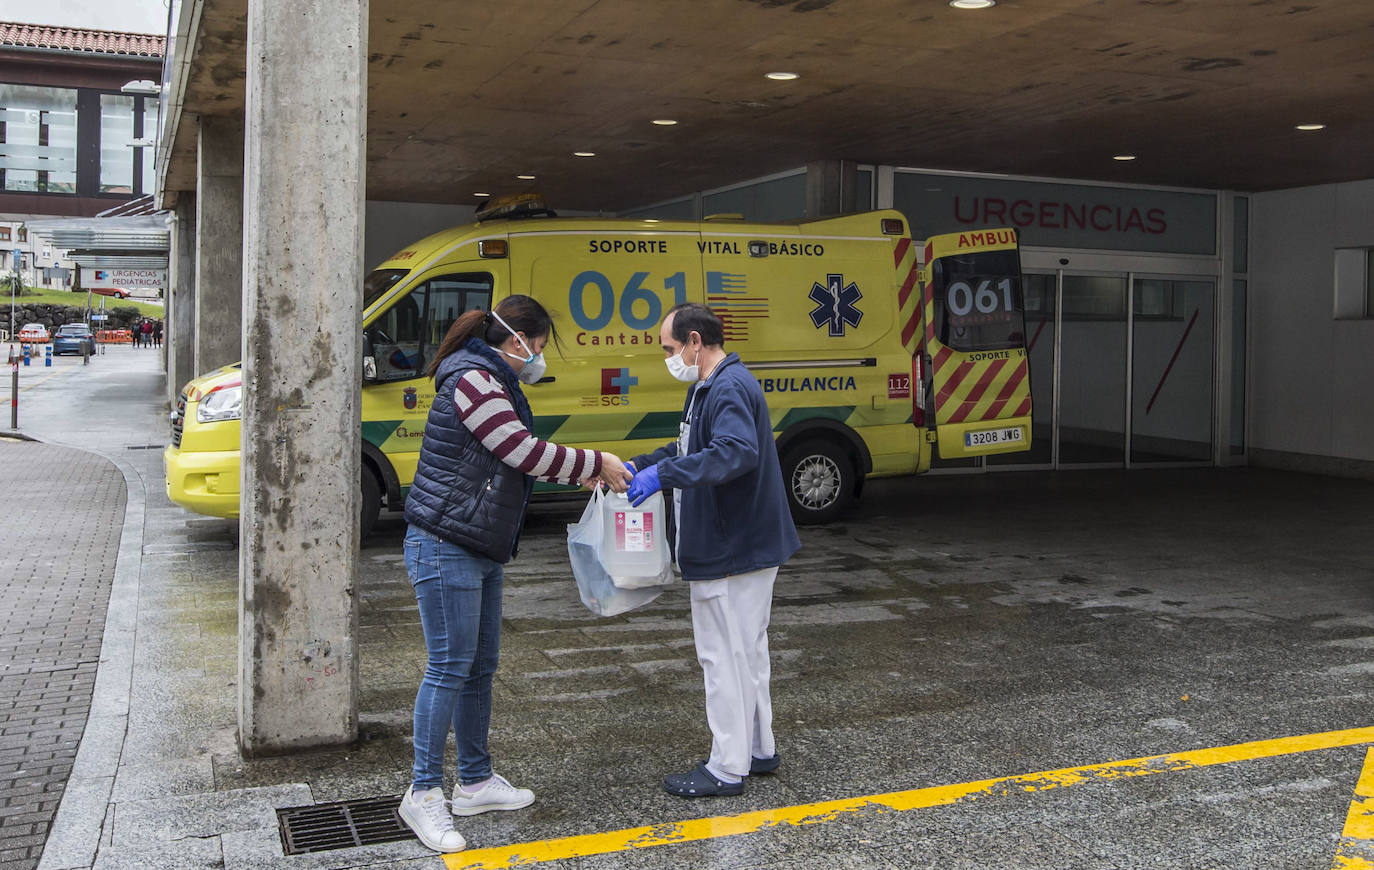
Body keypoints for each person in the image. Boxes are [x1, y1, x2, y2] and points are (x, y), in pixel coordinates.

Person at [398, 294, 633, 853]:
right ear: (518, 341)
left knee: (479, 665)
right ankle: (424, 792)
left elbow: (511, 457)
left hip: (477, 542)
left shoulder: (490, 377)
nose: (540, 359)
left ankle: (475, 781)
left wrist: (579, 472)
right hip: (444, 543)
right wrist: (594, 463)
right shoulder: (473, 379)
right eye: (541, 348)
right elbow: (519, 449)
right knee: (449, 667)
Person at [625, 303, 800, 798]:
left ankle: (726, 766)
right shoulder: (712, 385)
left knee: (722, 657)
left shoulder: (724, 387)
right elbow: (689, 450)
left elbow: (734, 452)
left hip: (730, 549)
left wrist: (663, 476)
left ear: (694, 342)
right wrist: (641, 465)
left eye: (669, 348)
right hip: (744, 544)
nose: (668, 358)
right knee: (748, 650)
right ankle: (759, 749)